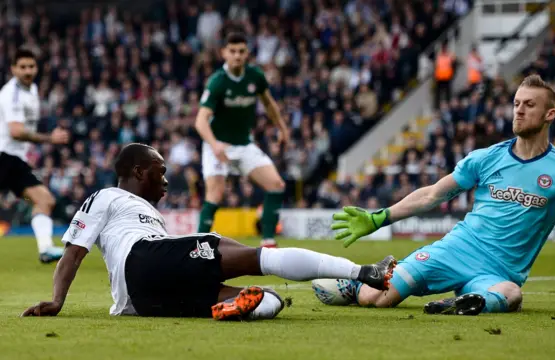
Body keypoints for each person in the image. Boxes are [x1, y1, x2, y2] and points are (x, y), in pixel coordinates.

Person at [321, 75, 555, 315]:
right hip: (455, 250)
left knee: (511, 294)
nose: (519, 111)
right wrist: (381, 216)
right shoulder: (485, 158)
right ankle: (359, 283)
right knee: (378, 299)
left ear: (550, 114)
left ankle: (457, 304)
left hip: (498, 273)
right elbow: (432, 195)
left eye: (529, 105)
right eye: (516, 103)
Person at [22, 143, 395, 320]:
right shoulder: (107, 195)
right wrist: (58, 300)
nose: (166, 180)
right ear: (137, 172)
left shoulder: (146, 212)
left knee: (268, 300)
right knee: (255, 257)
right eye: (159, 170)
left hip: (143, 303)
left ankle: (234, 306)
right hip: (144, 262)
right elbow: (73, 250)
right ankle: (363, 273)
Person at [195, 32, 289, 248]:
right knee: (215, 195)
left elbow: (269, 104)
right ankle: (197, 246)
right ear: (224, 53)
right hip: (218, 144)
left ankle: (268, 242)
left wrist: (282, 128)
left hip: (244, 144)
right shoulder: (217, 82)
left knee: (276, 184)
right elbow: (200, 121)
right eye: (233, 51)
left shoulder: (255, 76)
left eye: (241, 51)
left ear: (247, 53)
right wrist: (215, 144)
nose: (237, 56)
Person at [0, 47, 70, 263]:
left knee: (44, 200)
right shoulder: (11, 94)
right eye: (22, 67)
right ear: (13, 69)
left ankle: (46, 249)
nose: (27, 71)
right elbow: (16, 131)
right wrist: (50, 138)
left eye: (31, 66)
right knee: (44, 199)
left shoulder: (32, 89)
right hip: (3, 156)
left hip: (14, 160)